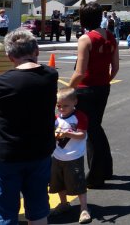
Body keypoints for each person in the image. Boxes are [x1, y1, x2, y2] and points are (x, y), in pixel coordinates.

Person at [0, 29, 57, 225]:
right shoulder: (50, 75)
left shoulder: (3, 83)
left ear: (9, 56)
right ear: (37, 50)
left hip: (8, 155)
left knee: (6, 212)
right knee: (38, 208)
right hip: (40, 153)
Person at [69, 2, 119, 188]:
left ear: (83, 19)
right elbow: (115, 67)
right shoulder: (111, 37)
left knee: (91, 131)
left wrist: (67, 90)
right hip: (102, 88)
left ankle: (96, 176)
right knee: (96, 128)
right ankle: (106, 169)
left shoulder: (85, 39)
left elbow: (80, 71)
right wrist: (105, 80)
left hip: (85, 89)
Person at [49, 88, 91, 224]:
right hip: (57, 156)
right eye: (59, 106)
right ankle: (64, 204)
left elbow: (82, 135)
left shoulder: (79, 116)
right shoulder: (56, 118)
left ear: (75, 102)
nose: (61, 109)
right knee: (58, 182)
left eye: (65, 105)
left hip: (74, 157)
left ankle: (84, 208)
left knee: (78, 183)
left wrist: (67, 134)